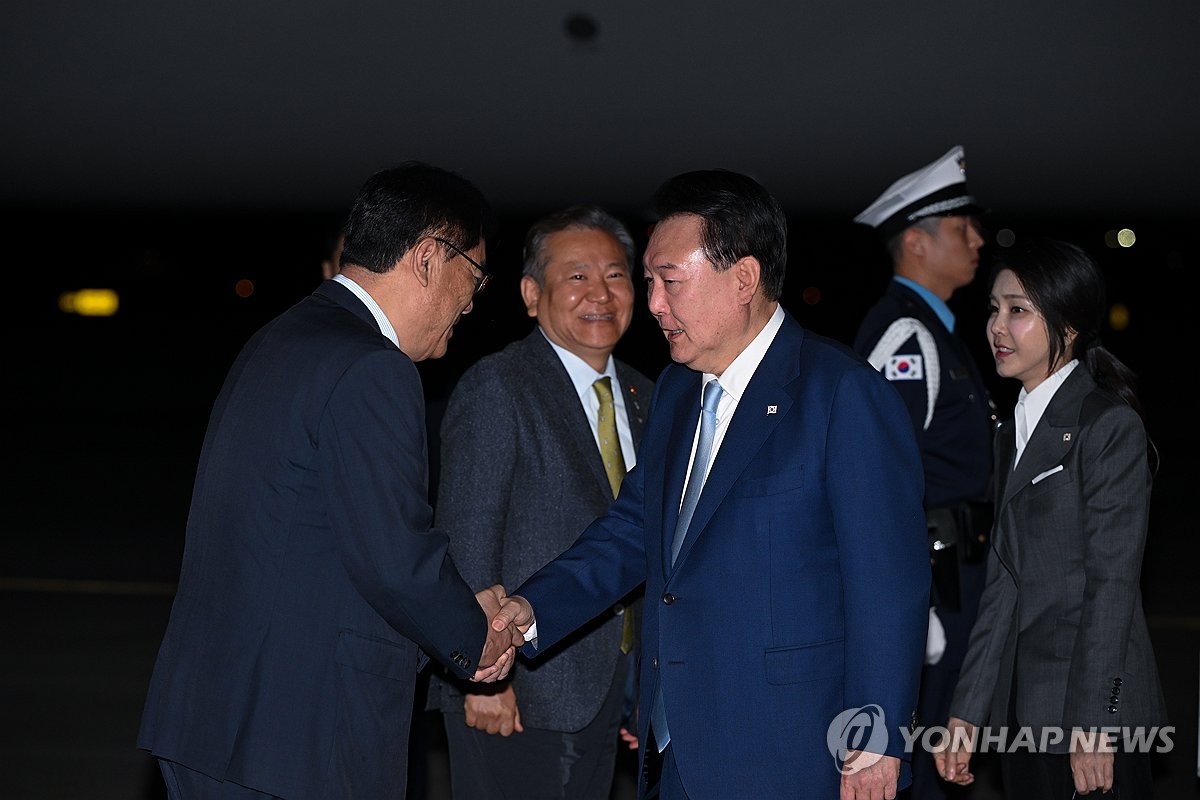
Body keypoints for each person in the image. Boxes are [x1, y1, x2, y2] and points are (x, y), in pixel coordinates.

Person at [491, 169, 930, 799]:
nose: (655, 305)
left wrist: (878, 740)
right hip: (677, 749)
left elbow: (888, 584)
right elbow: (634, 529)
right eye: (650, 282)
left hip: (795, 753)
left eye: (669, 282)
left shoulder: (840, 395)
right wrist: (530, 611)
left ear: (744, 279)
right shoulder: (676, 390)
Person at [137, 161, 524, 800]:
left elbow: (314, 542)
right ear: (430, 256)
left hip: (219, 722)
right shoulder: (374, 369)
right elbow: (394, 557)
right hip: (298, 736)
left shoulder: (281, 338)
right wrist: (474, 633)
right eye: (474, 277)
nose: (472, 302)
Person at [428, 204, 655, 799]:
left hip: (612, 687)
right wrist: (478, 678)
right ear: (531, 294)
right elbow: (465, 535)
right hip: (519, 688)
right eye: (576, 276)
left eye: (615, 274)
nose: (600, 293)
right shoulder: (498, 386)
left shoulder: (650, 396)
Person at [935, 237, 1167, 798]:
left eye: (1018, 310)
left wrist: (1094, 723)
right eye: (993, 308)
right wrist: (967, 712)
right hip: (1026, 713)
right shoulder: (1010, 431)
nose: (997, 326)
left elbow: (1112, 586)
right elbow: (1004, 584)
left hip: (1092, 720)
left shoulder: (1106, 427)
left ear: (1067, 326)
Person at [852, 145, 996, 799]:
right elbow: (877, 481)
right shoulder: (906, 339)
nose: (978, 239)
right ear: (917, 242)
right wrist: (914, 600)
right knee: (923, 757)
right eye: (961, 229)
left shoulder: (935, 331)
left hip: (955, 573)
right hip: (934, 578)